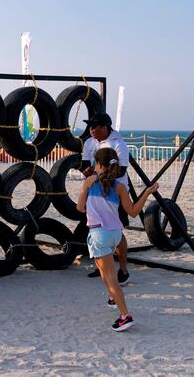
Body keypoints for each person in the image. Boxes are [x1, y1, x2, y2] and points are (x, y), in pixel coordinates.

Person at [77, 148, 157, 332]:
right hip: (116, 234)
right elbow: (134, 212)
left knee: (111, 278)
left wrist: (84, 189)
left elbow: (80, 208)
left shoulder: (90, 183)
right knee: (104, 270)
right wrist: (146, 193)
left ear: (99, 165)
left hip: (99, 234)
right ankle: (113, 298)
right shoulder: (120, 187)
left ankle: (125, 316)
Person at [81, 112, 133, 283]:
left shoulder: (119, 145)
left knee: (117, 230)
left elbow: (121, 170)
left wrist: (99, 177)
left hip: (114, 193)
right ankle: (102, 265)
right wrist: (87, 173)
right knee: (97, 228)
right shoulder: (89, 143)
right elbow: (85, 165)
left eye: (95, 127)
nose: (91, 130)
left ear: (105, 127)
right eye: (90, 126)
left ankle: (123, 269)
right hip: (95, 193)